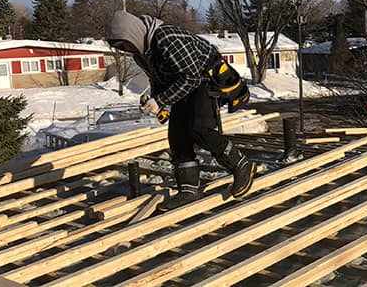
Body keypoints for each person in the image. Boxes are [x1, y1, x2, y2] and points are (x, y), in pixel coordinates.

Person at [106, 11, 255, 210]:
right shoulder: (141, 55)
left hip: (203, 79)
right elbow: (158, 79)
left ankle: (241, 165)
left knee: (200, 129)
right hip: (183, 85)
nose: (125, 49)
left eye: (125, 43)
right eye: (120, 46)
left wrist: (161, 100)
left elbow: (191, 77)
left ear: (132, 33)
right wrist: (158, 102)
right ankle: (189, 189)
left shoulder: (167, 38)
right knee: (177, 136)